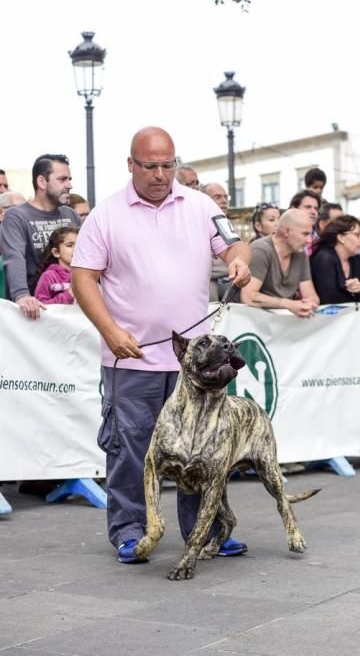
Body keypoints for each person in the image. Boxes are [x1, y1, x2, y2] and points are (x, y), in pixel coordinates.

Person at [71, 126, 251, 564]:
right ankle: (130, 532)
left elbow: (232, 243)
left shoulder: (200, 204)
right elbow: (83, 278)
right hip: (130, 357)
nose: (159, 174)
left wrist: (239, 260)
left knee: (204, 447)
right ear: (130, 164)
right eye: (149, 166)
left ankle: (205, 530)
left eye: (167, 165)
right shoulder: (106, 215)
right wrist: (111, 331)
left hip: (196, 362)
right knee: (130, 446)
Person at [1, 154, 79, 319]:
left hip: (72, 310)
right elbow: (15, 257)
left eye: (69, 179)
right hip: (33, 312)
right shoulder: (17, 216)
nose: (69, 185)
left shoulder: (70, 214)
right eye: (62, 179)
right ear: (42, 182)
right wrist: (22, 295)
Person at [240, 208, 319, 317]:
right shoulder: (261, 250)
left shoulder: (300, 253)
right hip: (248, 321)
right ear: (286, 231)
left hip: (279, 323)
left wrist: (310, 304)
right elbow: (248, 297)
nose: (309, 240)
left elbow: (311, 296)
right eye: (305, 234)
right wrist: (289, 304)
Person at [310, 215, 360, 305]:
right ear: (341, 238)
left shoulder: (356, 258)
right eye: (357, 235)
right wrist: (354, 294)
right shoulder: (324, 258)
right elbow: (329, 299)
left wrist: (359, 288)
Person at [34, 227, 79, 304]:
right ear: (56, 252)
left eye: (80, 244)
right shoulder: (48, 276)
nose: (77, 249)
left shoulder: (85, 274)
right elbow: (42, 307)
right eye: (69, 245)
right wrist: (69, 295)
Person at [202, 183, 231, 301]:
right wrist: (236, 264)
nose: (224, 201)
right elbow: (203, 265)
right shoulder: (196, 225)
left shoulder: (227, 225)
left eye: (225, 197)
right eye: (218, 197)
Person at [289, 189, 322, 258]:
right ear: (294, 209)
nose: (313, 212)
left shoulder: (320, 240)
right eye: (308, 207)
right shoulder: (285, 236)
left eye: (316, 208)